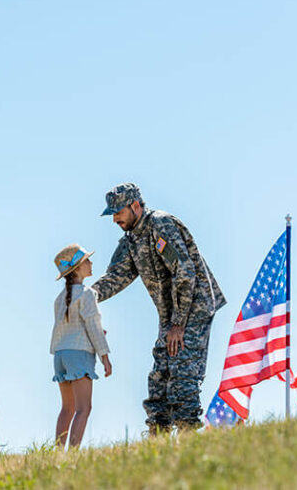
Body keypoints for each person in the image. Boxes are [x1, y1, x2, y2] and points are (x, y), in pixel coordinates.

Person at [92, 183, 225, 433]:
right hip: (170, 317)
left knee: (183, 373)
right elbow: (116, 276)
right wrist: (85, 297)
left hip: (192, 310)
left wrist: (178, 324)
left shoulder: (161, 225)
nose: (115, 219)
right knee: (160, 377)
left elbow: (184, 274)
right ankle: (158, 438)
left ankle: (187, 439)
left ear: (135, 206)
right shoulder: (131, 239)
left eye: (118, 212)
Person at [50, 244, 112, 449]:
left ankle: (57, 453)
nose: (91, 263)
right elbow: (93, 326)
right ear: (77, 268)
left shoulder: (59, 299)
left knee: (67, 408)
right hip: (79, 355)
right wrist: (104, 356)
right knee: (84, 408)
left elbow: (69, 327)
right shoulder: (87, 294)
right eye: (87, 260)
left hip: (60, 354)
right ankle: (73, 453)